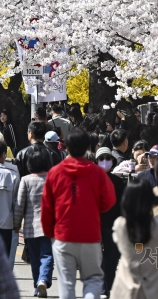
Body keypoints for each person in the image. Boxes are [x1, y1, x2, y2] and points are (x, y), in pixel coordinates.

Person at [42, 127, 117, 299]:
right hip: (90, 234)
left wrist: (49, 233)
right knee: (92, 279)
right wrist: (94, 209)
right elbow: (109, 200)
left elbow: (46, 207)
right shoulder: (97, 172)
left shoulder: (55, 173)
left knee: (66, 284)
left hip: (62, 234)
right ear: (87, 147)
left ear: (66, 146)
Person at [15, 148, 54, 296]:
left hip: (31, 227)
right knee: (47, 255)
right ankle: (43, 280)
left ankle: (37, 286)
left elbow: (20, 204)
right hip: (49, 226)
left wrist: (16, 223)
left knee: (34, 258)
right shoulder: (52, 179)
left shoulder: (25, 180)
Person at [95, 147, 127, 298]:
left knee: (112, 258)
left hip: (113, 225)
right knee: (98, 259)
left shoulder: (119, 182)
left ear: (113, 161)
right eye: (101, 159)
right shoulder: (91, 181)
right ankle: (103, 289)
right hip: (95, 226)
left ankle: (109, 286)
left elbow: (123, 205)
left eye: (108, 158)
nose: (105, 162)